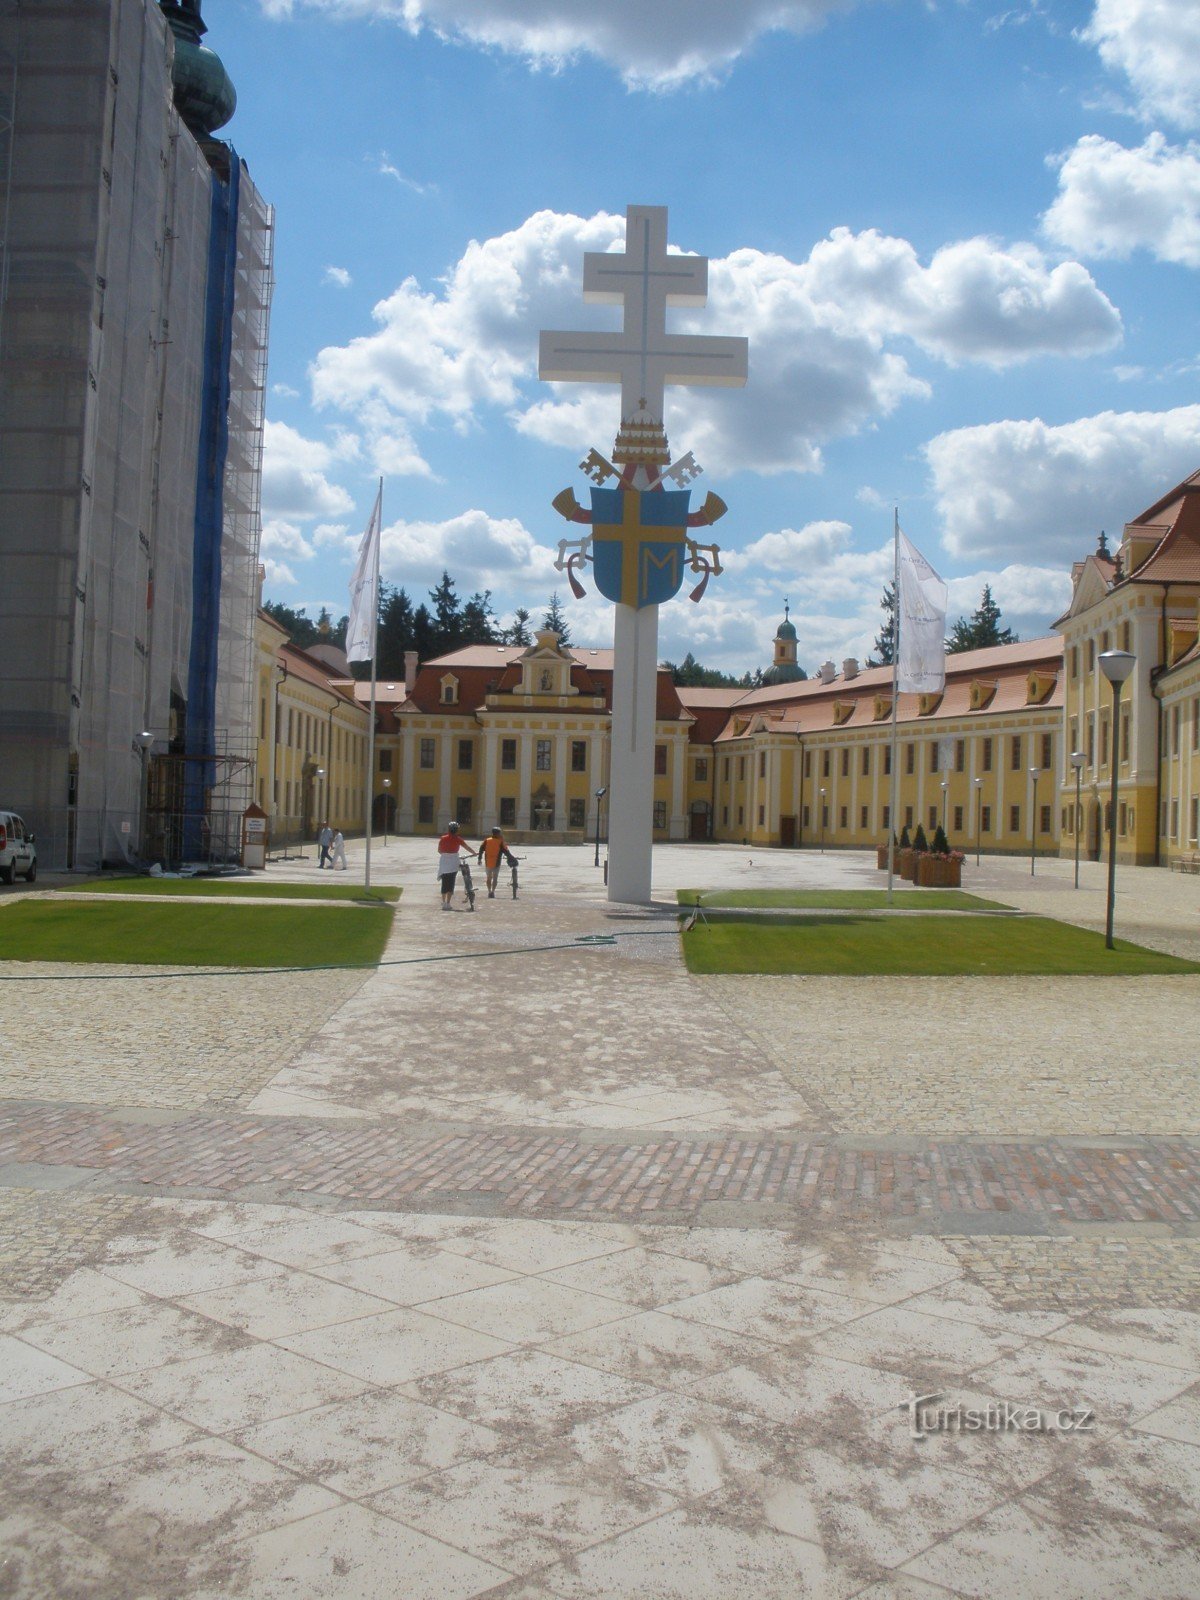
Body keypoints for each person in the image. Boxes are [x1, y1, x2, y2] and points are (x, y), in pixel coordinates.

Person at [436, 821, 476, 908]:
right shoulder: (458, 839)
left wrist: (446, 855)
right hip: (454, 862)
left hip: (444, 862)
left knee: (444, 882)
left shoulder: (443, 838)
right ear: (457, 830)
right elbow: (467, 847)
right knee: (451, 882)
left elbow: (439, 850)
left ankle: (443, 902)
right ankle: (448, 902)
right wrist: (474, 853)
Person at [478, 826, 516, 897]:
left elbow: (481, 850)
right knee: (495, 878)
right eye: (499, 833)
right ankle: (493, 892)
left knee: (489, 878)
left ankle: (489, 891)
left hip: (488, 862)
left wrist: (479, 859)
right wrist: (511, 858)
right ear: (498, 833)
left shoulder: (486, 840)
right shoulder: (500, 842)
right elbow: (506, 851)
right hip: (497, 863)